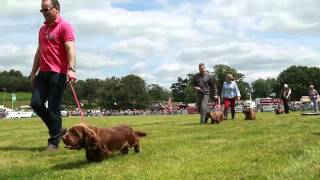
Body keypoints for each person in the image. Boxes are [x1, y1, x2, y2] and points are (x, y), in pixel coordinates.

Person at [30, 0, 76, 151]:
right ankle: (58, 130)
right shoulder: (42, 29)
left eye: (46, 10)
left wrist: (71, 69)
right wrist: (33, 72)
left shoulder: (65, 26)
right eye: (41, 10)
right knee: (36, 103)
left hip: (59, 73)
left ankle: (54, 142)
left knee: (53, 108)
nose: (43, 13)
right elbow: (39, 52)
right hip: (43, 73)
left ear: (56, 9)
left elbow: (70, 49)